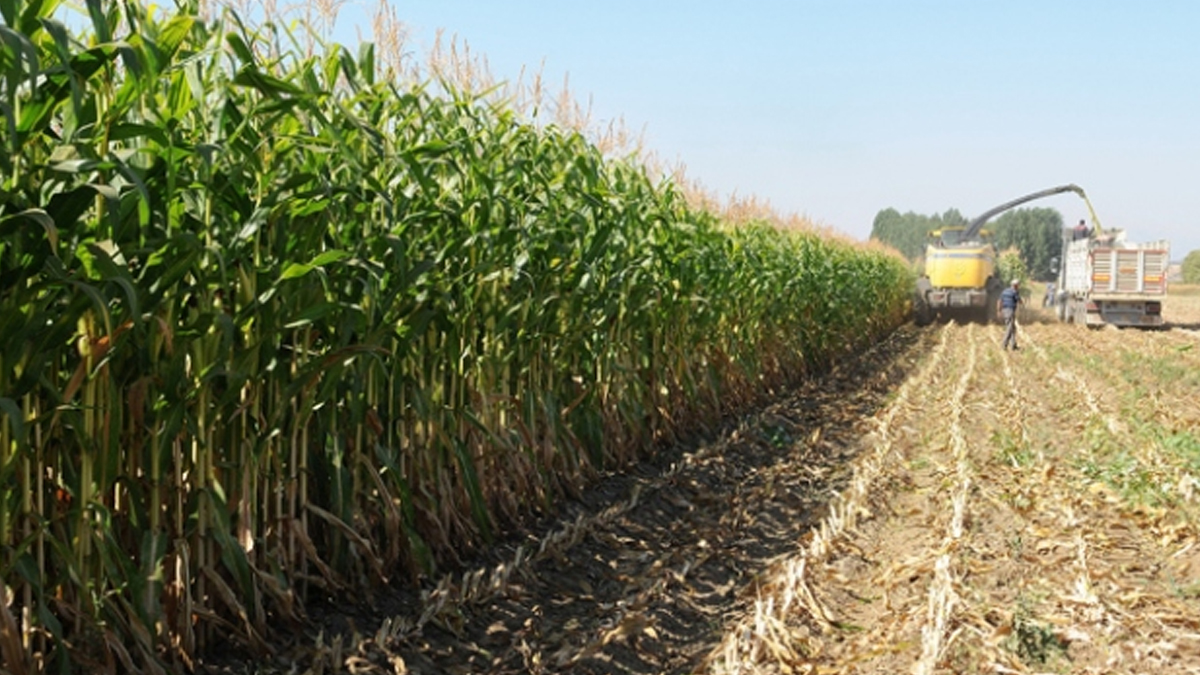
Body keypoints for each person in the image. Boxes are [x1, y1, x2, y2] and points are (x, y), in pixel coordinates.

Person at [999, 279, 1022, 350]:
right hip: (1010, 310)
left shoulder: (1005, 291)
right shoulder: (1014, 292)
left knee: (1012, 328)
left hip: (1004, 310)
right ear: (1015, 285)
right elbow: (1019, 301)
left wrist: (998, 310)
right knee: (1009, 328)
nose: (1019, 286)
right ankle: (1004, 345)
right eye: (1018, 285)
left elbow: (999, 301)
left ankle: (1013, 345)